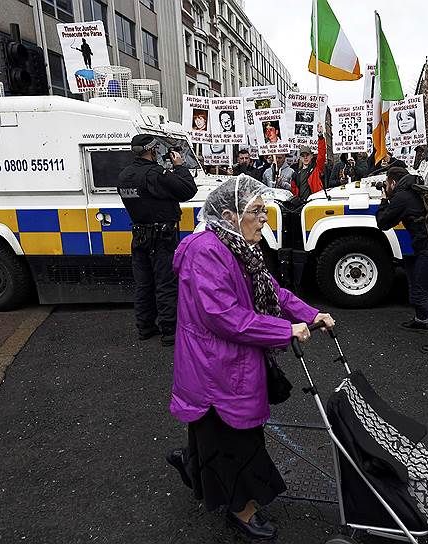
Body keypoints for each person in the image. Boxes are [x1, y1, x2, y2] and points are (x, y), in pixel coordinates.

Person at [167, 176, 335, 540]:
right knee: (235, 439)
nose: (264, 219)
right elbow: (223, 316)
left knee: (220, 433)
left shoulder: (237, 246)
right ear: (229, 215)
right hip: (214, 367)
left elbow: (272, 291)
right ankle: (241, 511)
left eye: (264, 211)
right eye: (257, 212)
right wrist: (284, 330)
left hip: (227, 362)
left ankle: (194, 466)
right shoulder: (206, 250)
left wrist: (309, 314)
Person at [117, 134, 198, 346]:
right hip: (162, 237)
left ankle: (144, 327)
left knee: (144, 283)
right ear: (153, 150)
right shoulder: (155, 174)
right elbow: (188, 190)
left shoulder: (124, 175)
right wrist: (179, 166)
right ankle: (169, 330)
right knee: (165, 283)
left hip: (139, 235)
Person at [375, 167, 428, 355]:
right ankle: (421, 320)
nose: (386, 187)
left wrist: (383, 199)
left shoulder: (401, 197)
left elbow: (383, 222)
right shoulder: (416, 188)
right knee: (412, 272)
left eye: (386, 184)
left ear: (394, 183)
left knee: (419, 292)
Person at [291, 124, 326, 201]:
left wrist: (320, 136)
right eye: (303, 156)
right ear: (300, 158)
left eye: (307, 155)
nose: (305, 157)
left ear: (311, 156)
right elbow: (294, 190)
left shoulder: (316, 168)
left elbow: (322, 155)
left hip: (315, 202)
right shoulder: (296, 173)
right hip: (301, 204)